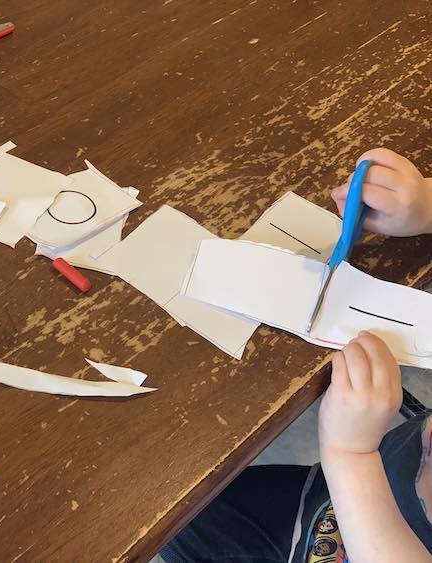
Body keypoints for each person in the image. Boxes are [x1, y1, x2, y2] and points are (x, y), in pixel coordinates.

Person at [160, 148, 432, 563]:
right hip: (326, 501)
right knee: (186, 516)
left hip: (359, 491)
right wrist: (424, 208)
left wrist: (351, 453)